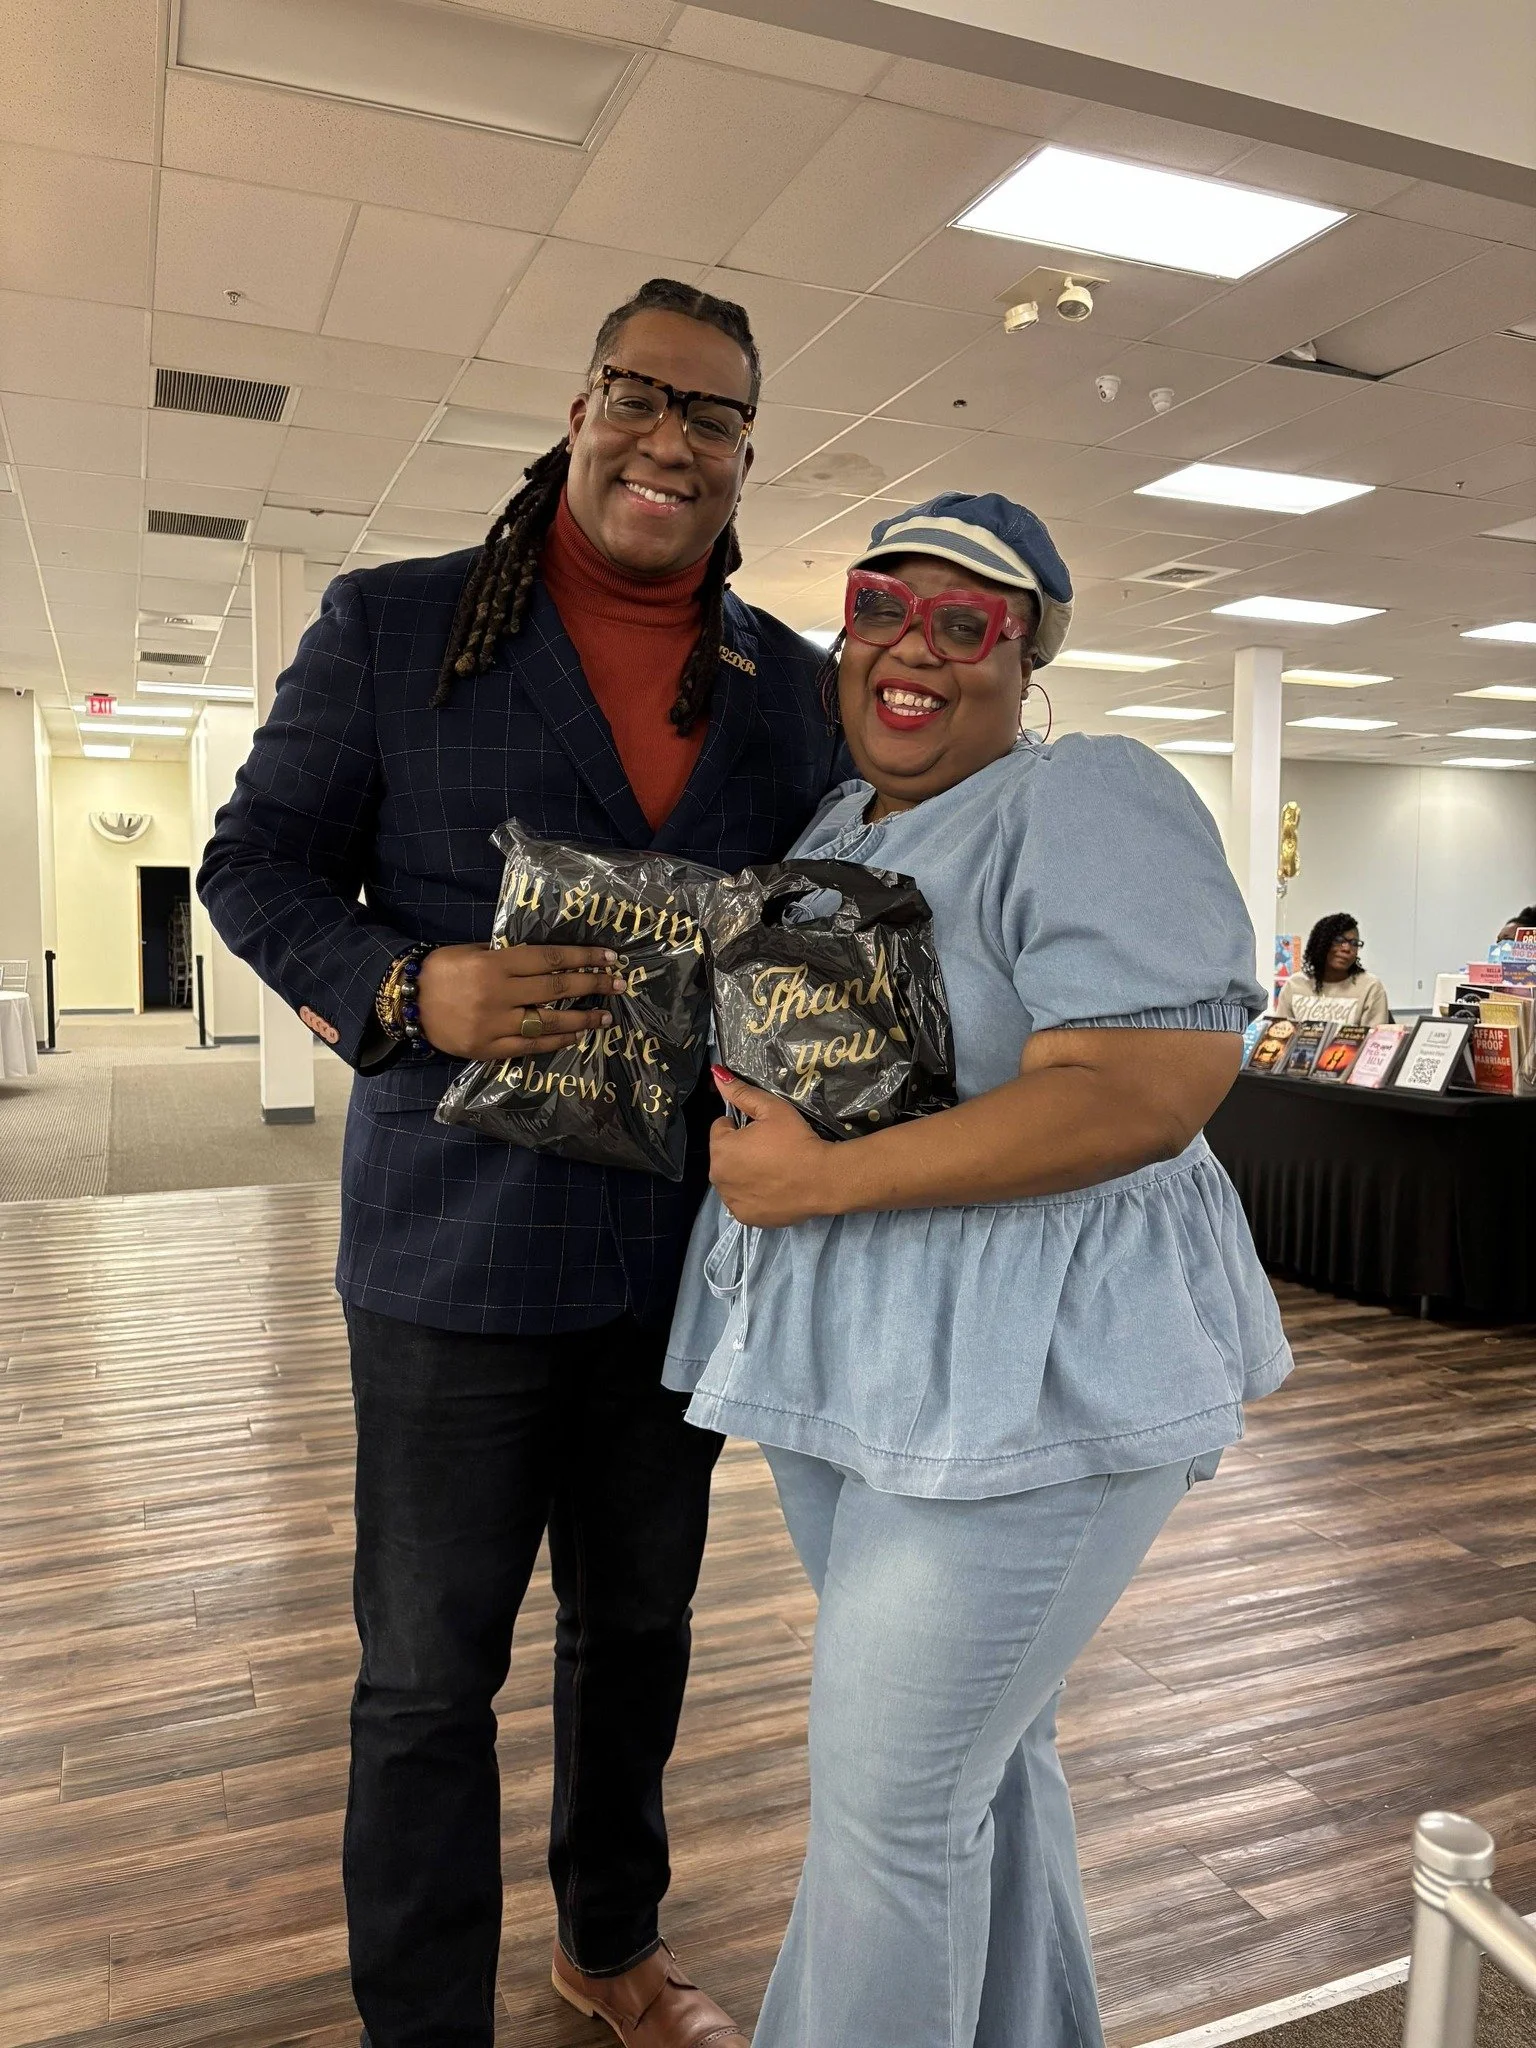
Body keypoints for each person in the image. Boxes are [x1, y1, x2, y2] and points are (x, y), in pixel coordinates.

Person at [199, 279, 843, 2048]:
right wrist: (409, 987)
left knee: (639, 1631)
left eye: (710, 416)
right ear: (579, 410)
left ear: (741, 456)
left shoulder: (784, 687)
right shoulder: (400, 628)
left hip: (678, 1257)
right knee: (425, 1678)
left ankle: (608, 1940)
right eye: (640, 396)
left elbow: (809, 936)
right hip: (452, 1260)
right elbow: (250, 870)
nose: (670, 439)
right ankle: (423, 2019)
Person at [662, 492, 1293, 2048]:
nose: (916, 650)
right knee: (980, 1767)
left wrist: (821, 1178)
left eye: (969, 626)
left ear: (1028, 663)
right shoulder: (840, 822)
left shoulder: (1082, 798)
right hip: (864, 1355)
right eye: (884, 607)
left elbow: (1144, 1093)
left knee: (889, 1805)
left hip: (1035, 1363)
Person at [1276, 913, 1390, 1025]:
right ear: (1320, 944)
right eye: (1339, 940)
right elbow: (1279, 1036)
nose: (1347, 948)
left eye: (1354, 943)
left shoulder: (1370, 987)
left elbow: (1374, 1040)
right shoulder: (1294, 985)